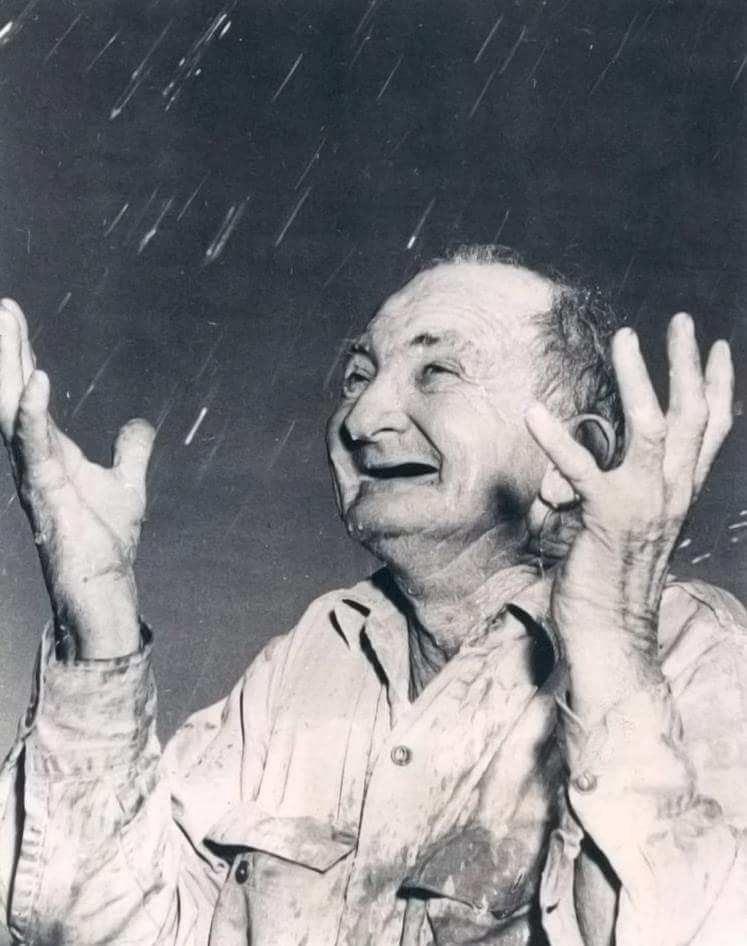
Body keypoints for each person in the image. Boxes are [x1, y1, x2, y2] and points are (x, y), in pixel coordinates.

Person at [0, 246, 745, 946]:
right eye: (359, 375)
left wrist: (613, 645)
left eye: (437, 372)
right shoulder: (314, 653)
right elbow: (93, 924)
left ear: (572, 459)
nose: (360, 421)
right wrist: (96, 612)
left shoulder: (695, 654)